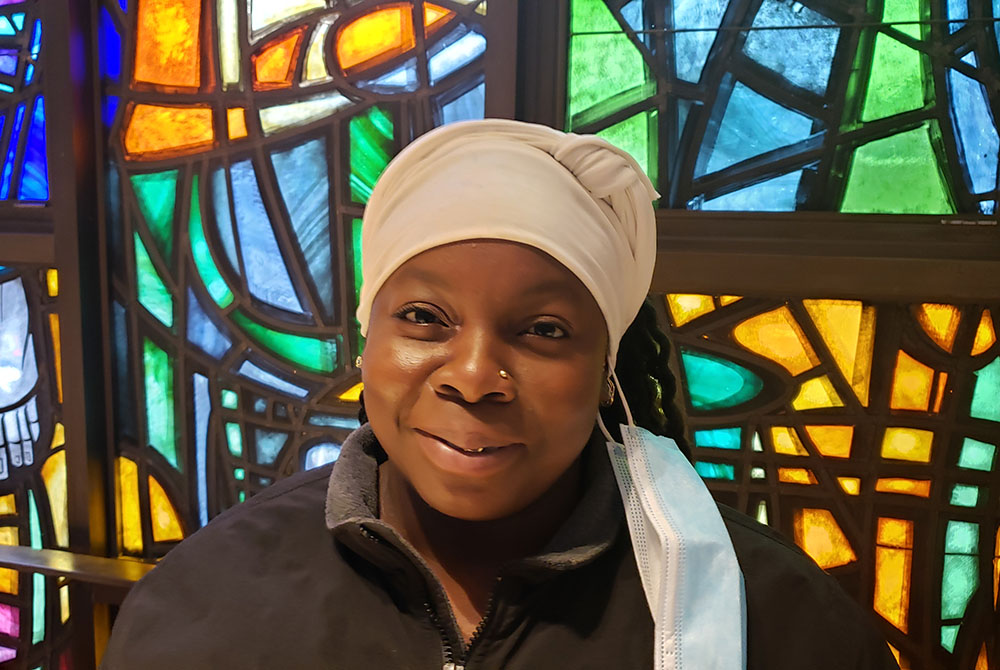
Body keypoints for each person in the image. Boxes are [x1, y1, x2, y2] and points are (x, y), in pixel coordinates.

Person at [101, 120, 898, 670]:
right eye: (423, 317)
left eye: (544, 330)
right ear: (366, 338)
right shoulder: (207, 606)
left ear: (605, 368)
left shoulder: (777, 623)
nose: (475, 375)